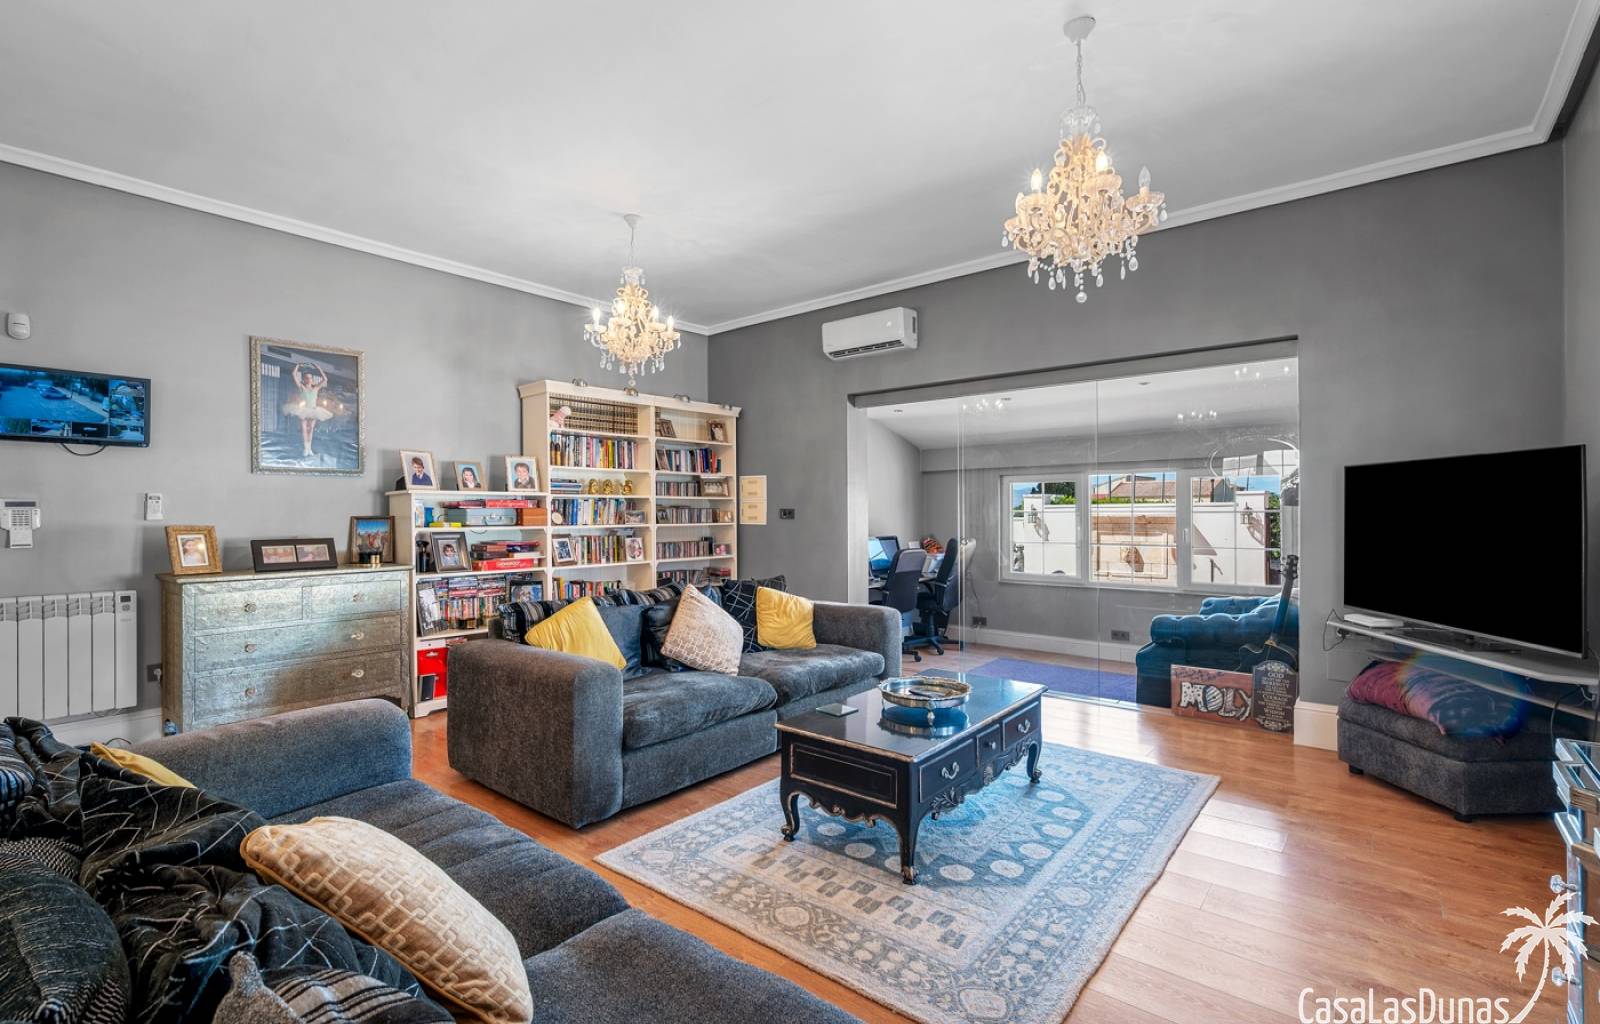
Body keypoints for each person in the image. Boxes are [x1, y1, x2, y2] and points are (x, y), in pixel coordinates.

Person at [282, 362, 332, 458]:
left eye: (310, 378)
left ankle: (309, 449)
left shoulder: (316, 388)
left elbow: (325, 379)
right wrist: (298, 366)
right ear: (304, 379)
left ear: (312, 379)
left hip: (313, 410)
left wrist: (319, 368)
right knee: (304, 429)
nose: (309, 380)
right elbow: (294, 374)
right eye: (307, 378)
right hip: (304, 410)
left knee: (311, 429)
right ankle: (306, 448)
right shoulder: (302, 387)